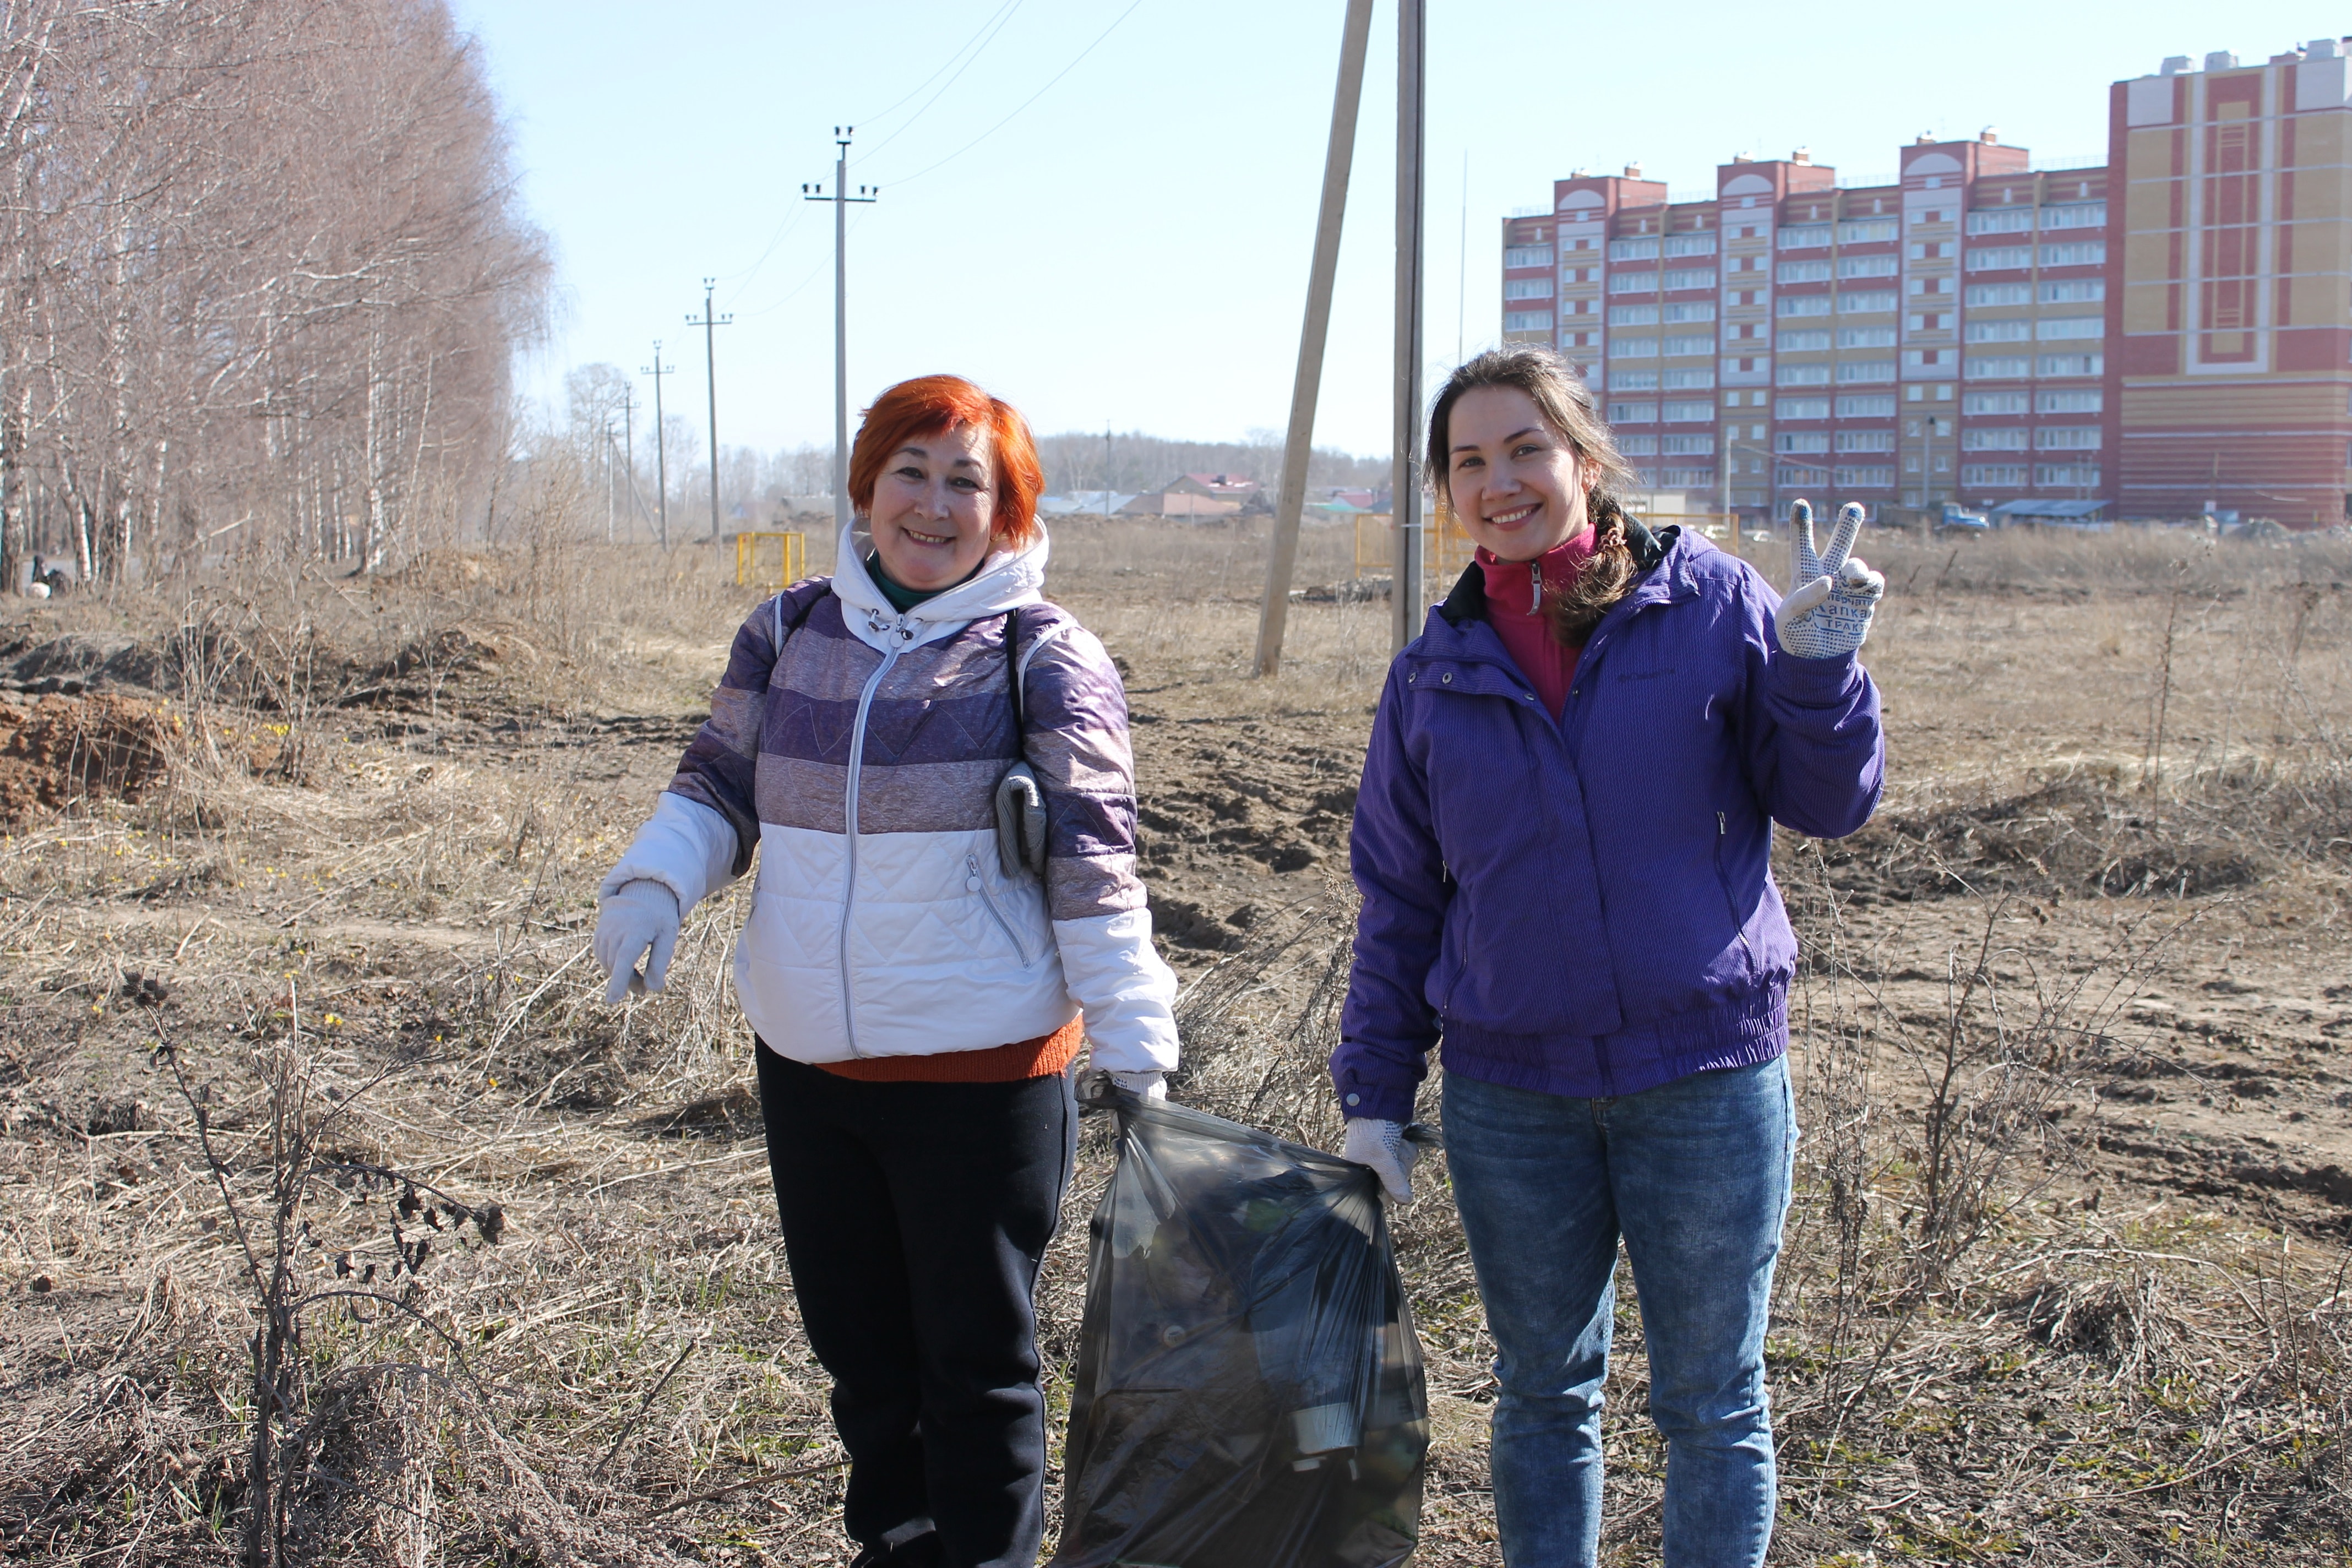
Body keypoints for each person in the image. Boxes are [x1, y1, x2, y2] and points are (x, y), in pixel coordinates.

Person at [594, 373, 1178, 1568]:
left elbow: (1097, 858)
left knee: (975, 1363)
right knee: (861, 1350)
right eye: (910, 470)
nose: (933, 501)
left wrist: (1134, 1038)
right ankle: (900, 1543)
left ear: (1009, 514)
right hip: (810, 1061)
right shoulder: (789, 630)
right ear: (865, 491)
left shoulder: (1041, 652)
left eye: (969, 480)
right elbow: (717, 780)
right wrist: (656, 877)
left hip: (983, 1071)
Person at [1331, 345, 1886, 1567]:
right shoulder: (1433, 671)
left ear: (1585, 459)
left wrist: (1819, 672)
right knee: (1541, 1393)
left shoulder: (1712, 605)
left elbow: (1829, 801)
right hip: (1511, 1097)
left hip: (1703, 1079)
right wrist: (1375, 1091)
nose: (1501, 481)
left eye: (1526, 447)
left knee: (1713, 1401)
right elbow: (1401, 899)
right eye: (1469, 461)